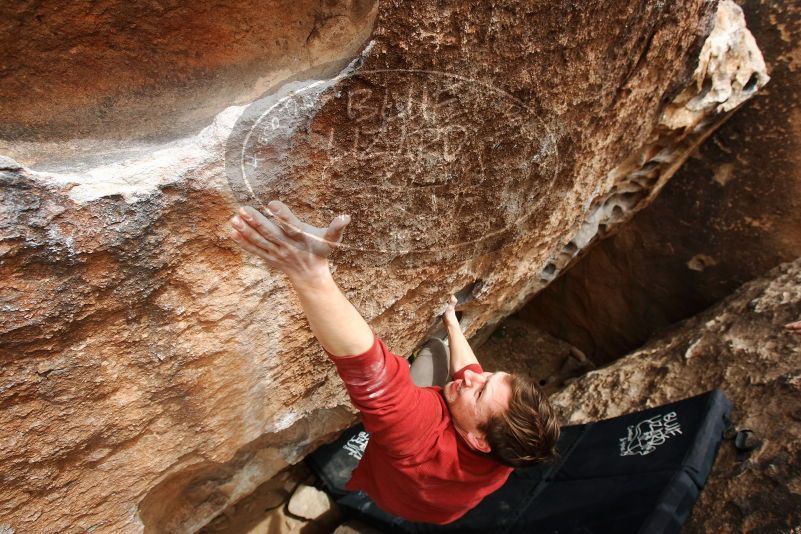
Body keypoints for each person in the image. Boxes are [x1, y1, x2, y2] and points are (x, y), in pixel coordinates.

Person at [228, 200, 560, 524]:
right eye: (489, 376)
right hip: (434, 510)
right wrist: (451, 322)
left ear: (478, 440)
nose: (475, 377)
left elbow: (372, 372)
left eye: (478, 393)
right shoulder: (512, 450)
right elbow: (471, 372)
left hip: (393, 484)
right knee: (441, 350)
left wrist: (311, 274)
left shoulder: (418, 437)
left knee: (424, 368)